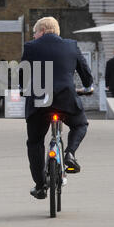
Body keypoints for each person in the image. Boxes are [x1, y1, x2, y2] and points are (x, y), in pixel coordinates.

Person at [21, 16, 93, 200]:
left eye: (35, 32)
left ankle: (40, 185)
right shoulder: (71, 45)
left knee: (35, 142)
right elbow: (87, 76)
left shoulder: (30, 47)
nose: (34, 36)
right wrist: (87, 86)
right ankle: (70, 153)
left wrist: (24, 89)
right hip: (65, 100)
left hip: (39, 103)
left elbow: (22, 76)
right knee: (80, 125)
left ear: (43, 30)